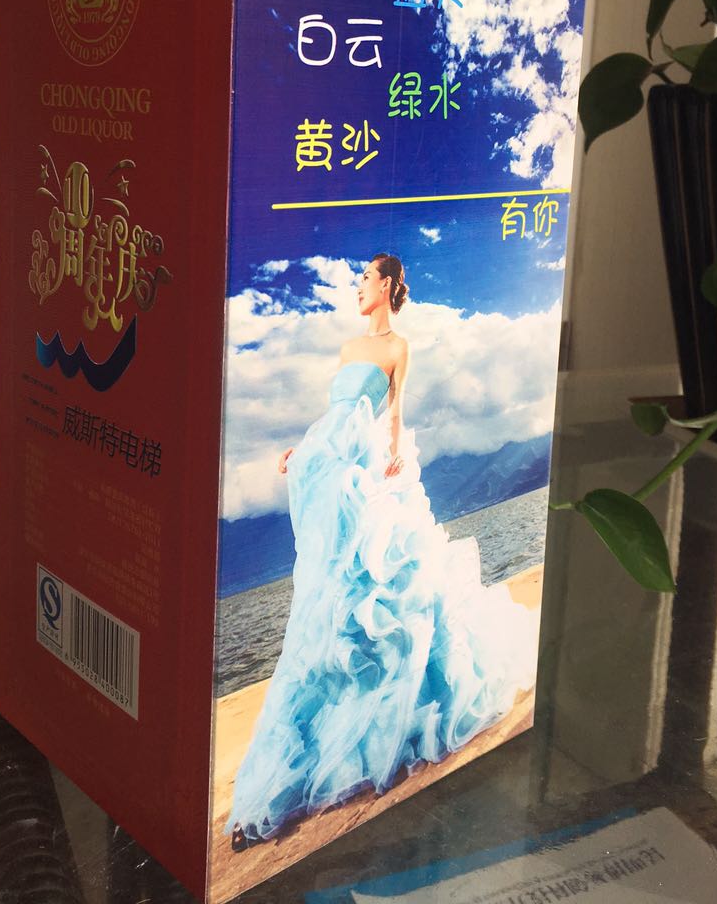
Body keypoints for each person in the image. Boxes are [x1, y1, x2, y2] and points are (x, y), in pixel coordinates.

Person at [228, 253, 539, 850]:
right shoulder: (348, 348)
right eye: (359, 279)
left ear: (389, 284)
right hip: (331, 462)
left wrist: (394, 454)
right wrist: (300, 450)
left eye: (366, 278)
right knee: (327, 594)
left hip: (366, 465)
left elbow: (393, 409)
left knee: (381, 578)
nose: (359, 286)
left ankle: (384, 710)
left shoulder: (398, 347)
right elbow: (334, 415)